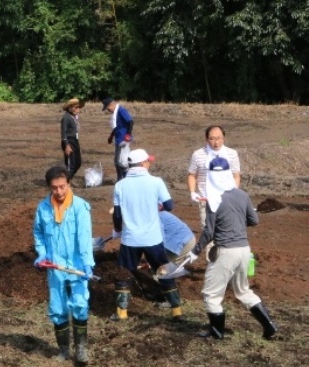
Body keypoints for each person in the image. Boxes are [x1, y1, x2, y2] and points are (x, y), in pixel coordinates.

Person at [191, 157, 277, 340]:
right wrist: (237, 219)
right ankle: (269, 326)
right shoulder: (242, 195)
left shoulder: (213, 199)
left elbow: (209, 232)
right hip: (244, 250)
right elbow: (254, 220)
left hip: (226, 252)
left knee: (211, 294)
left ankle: (216, 332)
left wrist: (195, 251)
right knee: (243, 291)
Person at [112, 149, 184, 321]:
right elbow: (169, 206)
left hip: (130, 239)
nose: (149, 164)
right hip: (153, 238)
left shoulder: (120, 185)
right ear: (143, 164)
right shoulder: (156, 182)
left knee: (125, 273)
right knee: (163, 271)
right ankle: (176, 311)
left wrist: (118, 229)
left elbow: (117, 214)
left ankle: (122, 313)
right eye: (148, 161)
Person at [33, 165, 94, 364]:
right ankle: (64, 350)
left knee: (79, 304)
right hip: (55, 267)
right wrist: (42, 255)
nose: (59, 192)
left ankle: (81, 349)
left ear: (68, 183)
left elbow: (85, 239)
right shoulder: (43, 208)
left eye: (62, 187)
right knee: (58, 309)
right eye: (54, 188)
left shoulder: (80, 207)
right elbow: (39, 234)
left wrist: (87, 264)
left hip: (77, 266)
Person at [188, 125, 241, 231]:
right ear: (207, 139)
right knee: (208, 231)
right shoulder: (198, 154)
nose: (216, 142)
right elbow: (192, 175)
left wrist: (234, 193)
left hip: (226, 201)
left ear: (223, 138)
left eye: (219, 138)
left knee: (226, 230)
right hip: (206, 200)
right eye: (212, 139)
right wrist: (193, 192)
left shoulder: (232, 154)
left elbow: (236, 176)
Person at [103, 97, 134, 182]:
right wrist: (111, 136)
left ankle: (128, 178)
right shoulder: (115, 113)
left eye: (107, 108)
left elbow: (130, 122)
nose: (108, 110)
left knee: (123, 162)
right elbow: (117, 127)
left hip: (124, 140)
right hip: (118, 139)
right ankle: (120, 179)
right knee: (117, 162)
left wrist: (128, 135)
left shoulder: (121, 110)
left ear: (112, 104)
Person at [60, 98, 83, 180]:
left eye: (78, 107)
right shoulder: (66, 118)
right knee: (71, 165)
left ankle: (68, 179)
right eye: (76, 107)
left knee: (78, 162)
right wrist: (66, 145)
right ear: (70, 108)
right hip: (69, 142)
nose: (78, 109)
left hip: (75, 141)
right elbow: (63, 133)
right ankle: (66, 182)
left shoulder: (73, 117)